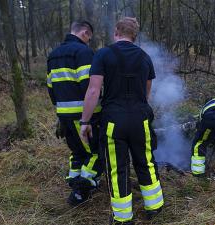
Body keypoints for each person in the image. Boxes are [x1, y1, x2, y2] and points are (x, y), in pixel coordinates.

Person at [79, 17, 163, 224]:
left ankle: (123, 218)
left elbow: (93, 90)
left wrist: (84, 122)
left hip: (114, 120)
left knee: (117, 168)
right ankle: (154, 207)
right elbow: (147, 94)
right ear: (135, 35)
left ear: (116, 32)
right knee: (146, 161)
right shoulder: (145, 57)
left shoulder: (103, 54)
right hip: (140, 119)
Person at [47, 20, 102, 206]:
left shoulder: (53, 55)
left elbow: (51, 88)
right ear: (85, 32)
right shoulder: (83, 52)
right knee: (98, 152)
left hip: (64, 115)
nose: (89, 42)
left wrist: (60, 113)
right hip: (85, 116)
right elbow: (90, 87)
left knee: (78, 152)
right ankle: (81, 190)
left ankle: (74, 180)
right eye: (89, 38)